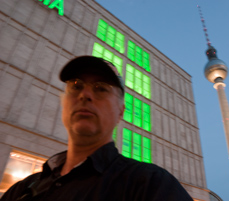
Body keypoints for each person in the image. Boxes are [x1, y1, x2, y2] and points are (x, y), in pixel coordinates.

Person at [1, 56, 193, 201]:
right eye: (76, 86)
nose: (85, 94)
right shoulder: (22, 190)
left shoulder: (149, 184)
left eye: (101, 88)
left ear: (120, 112)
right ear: (64, 104)